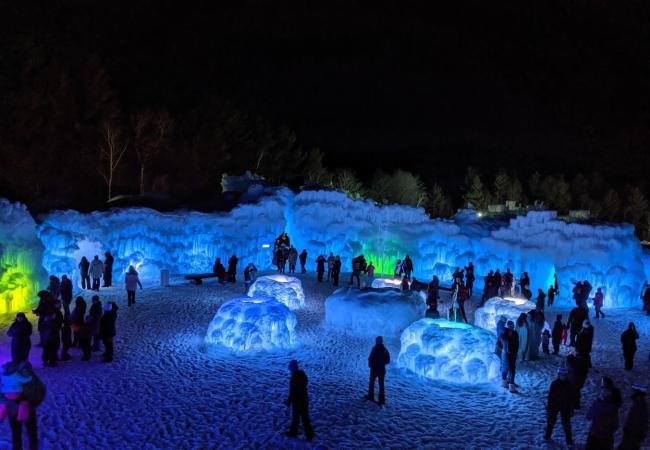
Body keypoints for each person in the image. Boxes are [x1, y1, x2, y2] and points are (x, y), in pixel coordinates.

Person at [1, 360, 46, 450]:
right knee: (23, 431)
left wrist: (31, 404)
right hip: (17, 409)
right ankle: (28, 446)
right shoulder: (16, 377)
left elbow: (40, 393)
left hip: (22, 409)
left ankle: (29, 446)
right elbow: (41, 392)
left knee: (24, 430)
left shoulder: (32, 380)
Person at [586, 377, 621, 449]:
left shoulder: (605, 405)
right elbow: (615, 425)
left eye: (602, 387)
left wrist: (598, 402)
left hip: (597, 436)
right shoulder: (613, 404)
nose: (601, 390)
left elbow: (589, 416)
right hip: (605, 437)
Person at [544, 368, 575, 446]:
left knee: (566, 423)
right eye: (561, 374)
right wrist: (549, 407)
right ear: (558, 375)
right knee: (551, 420)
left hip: (565, 406)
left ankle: (569, 439)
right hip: (555, 405)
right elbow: (550, 396)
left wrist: (571, 408)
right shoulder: (554, 384)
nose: (563, 376)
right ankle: (548, 435)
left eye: (564, 375)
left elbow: (572, 397)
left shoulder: (569, 384)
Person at [284, 360, 313, 440]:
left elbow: (294, 390)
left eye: (290, 367)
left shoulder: (295, 377)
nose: (290, 369)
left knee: (298, 417)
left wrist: (290, 400)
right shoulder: (300, 375)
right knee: (303, 416)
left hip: (298, 400)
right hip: (303, 399)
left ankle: (295, 432)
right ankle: (308, 433)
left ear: (292, 367)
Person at [618, 385, 647, 450]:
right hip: (632, 436)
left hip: (632, 436)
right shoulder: (639, 405)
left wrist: (629, 432)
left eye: (634, 391)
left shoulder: (639, 406)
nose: (632, 393)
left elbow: (637, 422)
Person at [365, 336, 390, 405]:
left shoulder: (376, 349)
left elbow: (370, 358)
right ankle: (381, 400)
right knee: (380, 384)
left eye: (378, 340)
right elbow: (388, 360)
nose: (378, 341)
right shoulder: (384, 349)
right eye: (377, 340)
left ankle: (371, 396)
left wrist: (371, 364)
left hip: (375, 369)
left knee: (373, 383)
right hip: (380, 369)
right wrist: (382, 363)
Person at [499, 321, 519, 393]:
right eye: (510, 325)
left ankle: (506, 383)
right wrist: (504, 350)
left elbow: (517, 343)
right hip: (506, 354)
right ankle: (511, 386)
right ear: (508, 326)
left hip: (512, 354)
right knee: (511, 370)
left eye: (512, 325)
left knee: (508, 368)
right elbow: (498, 343)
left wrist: (515, 352)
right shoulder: (503, 334)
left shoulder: (515, 333)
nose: (512, 326)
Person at [41, 301, 62, 367]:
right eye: (58, 304)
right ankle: (49, 361)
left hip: (52, 335)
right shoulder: (52, 312)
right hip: (50, 336)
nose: (59, 305)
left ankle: (50, 361)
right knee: (50, 348)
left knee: (51, 348)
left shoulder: (57, 312)